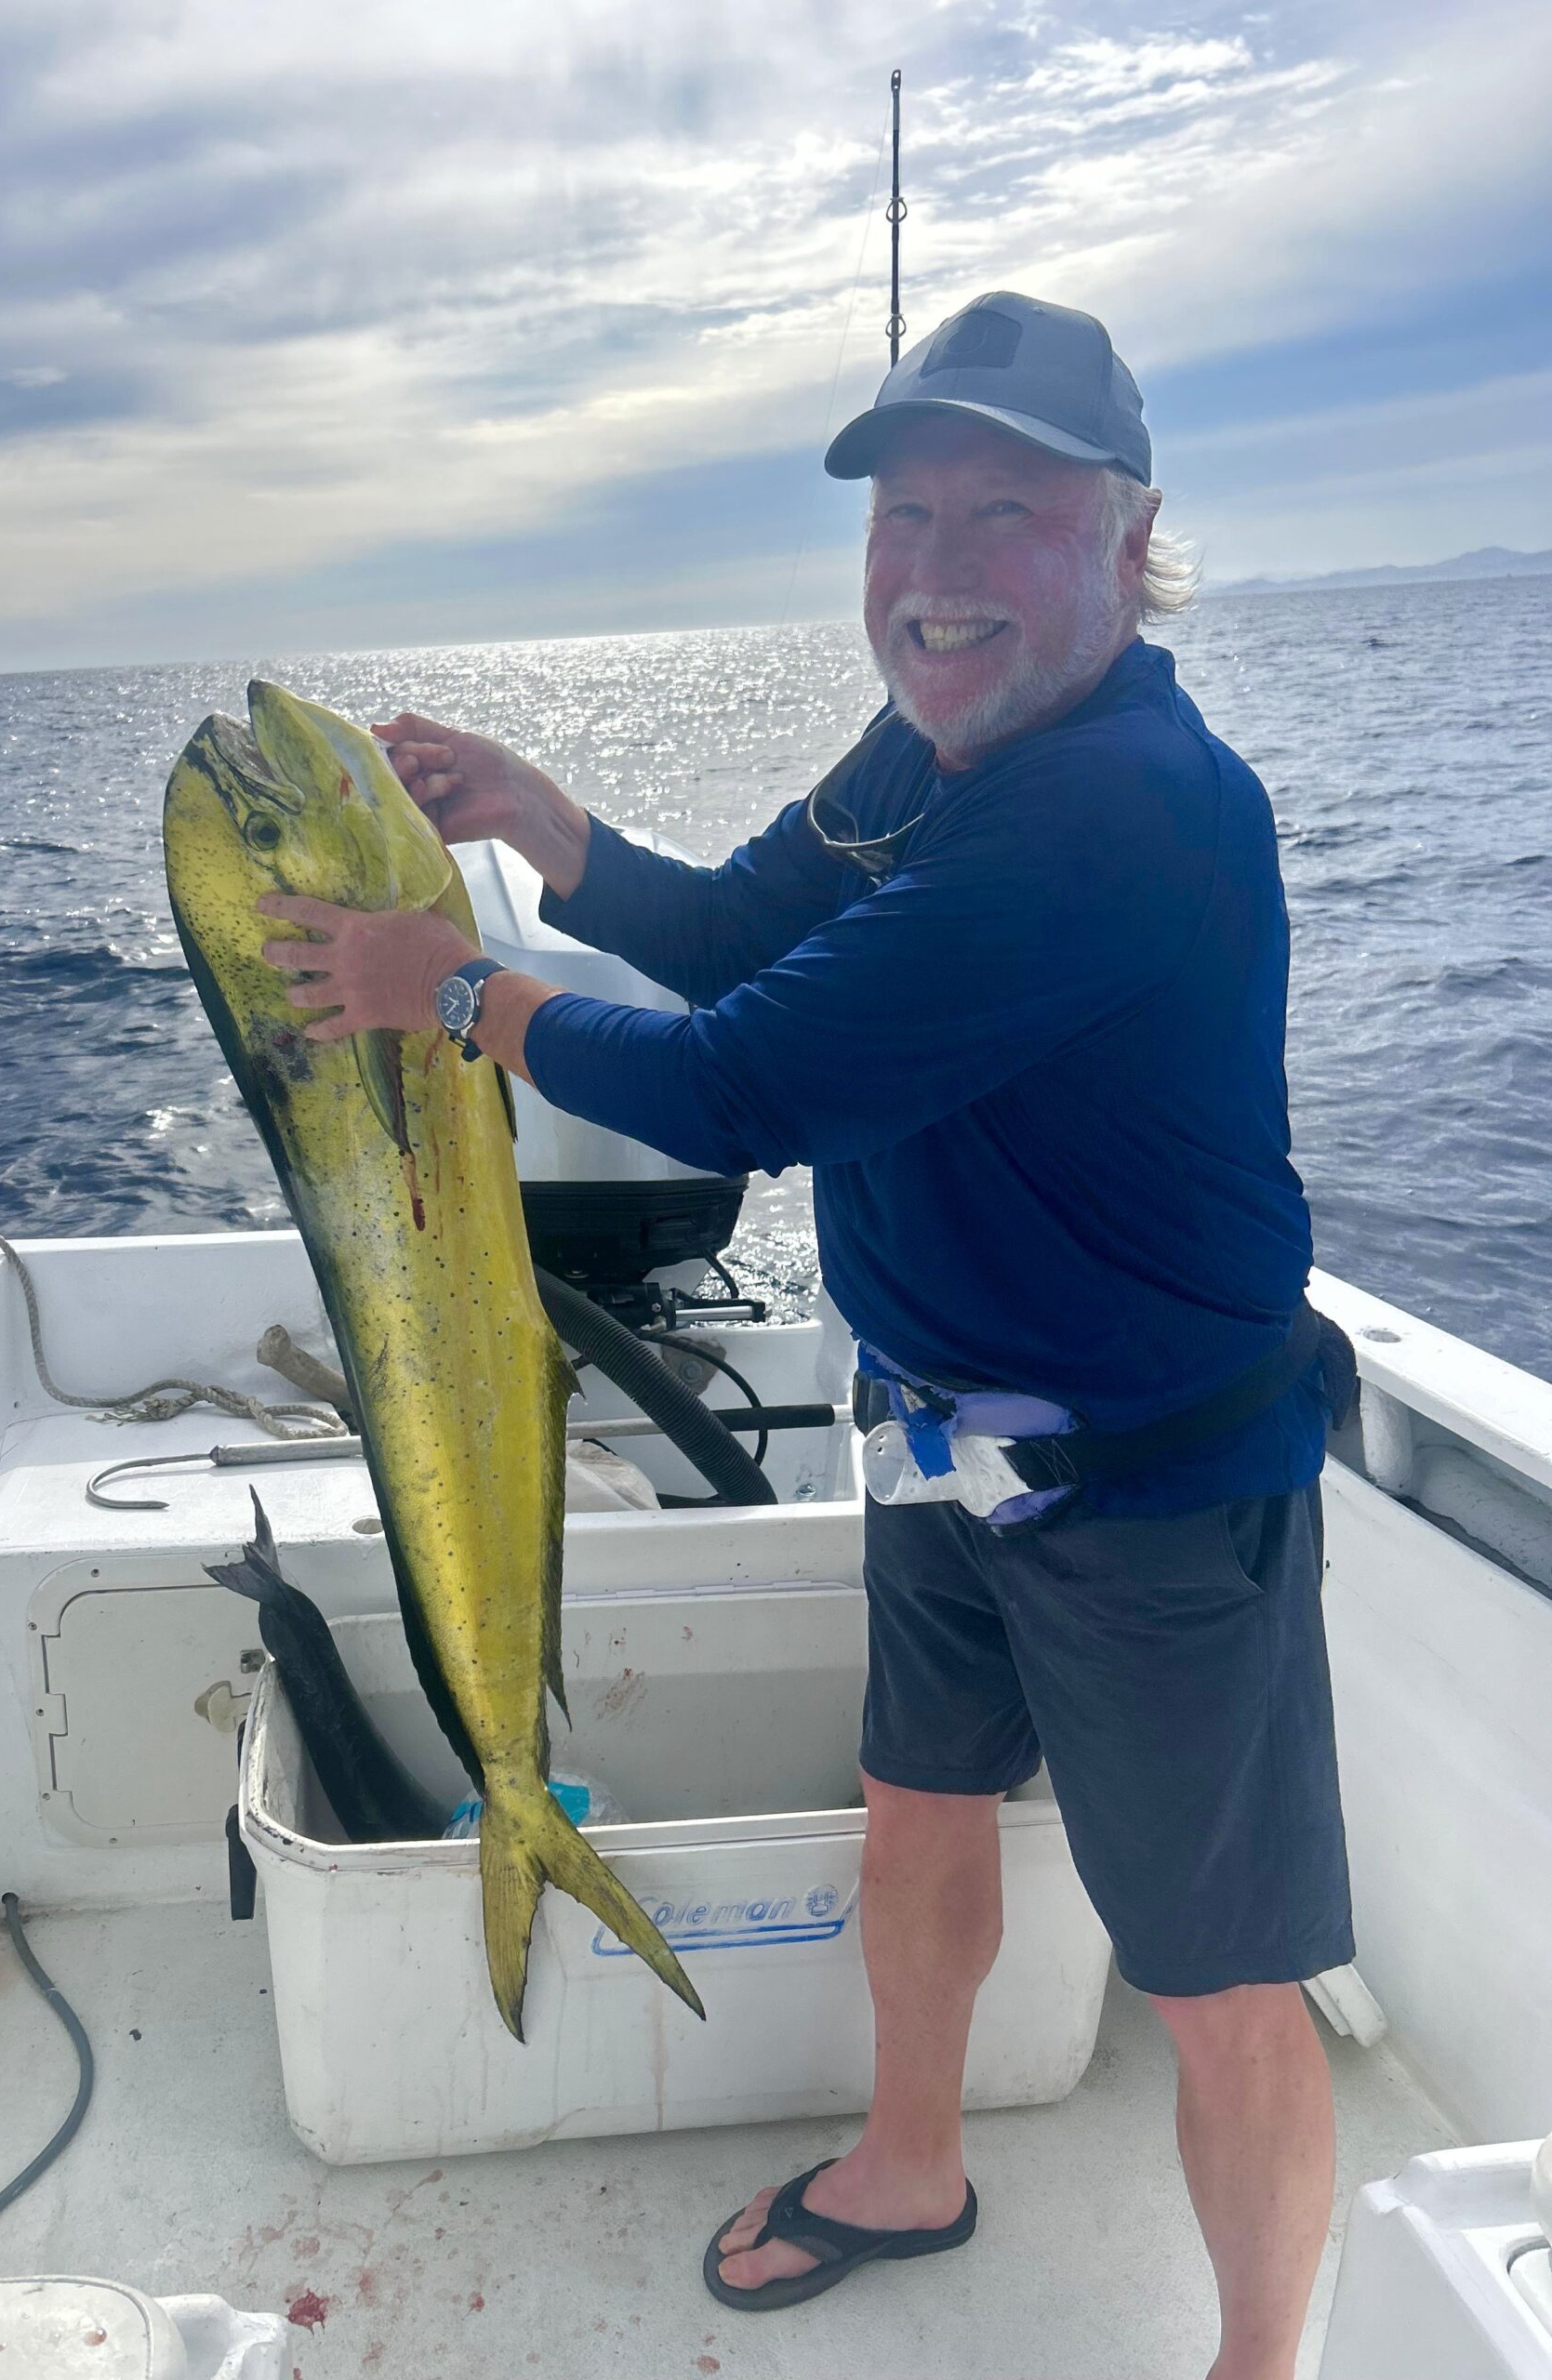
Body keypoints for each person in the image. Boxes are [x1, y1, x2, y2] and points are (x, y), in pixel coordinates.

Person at [258, 290, 1353, 2380]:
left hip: (1149, 1490)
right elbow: (742, 927)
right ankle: (910, 2161)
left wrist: (457, 991)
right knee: (915, 1814)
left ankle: (1260, 2362)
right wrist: (545, 824)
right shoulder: (940, 737)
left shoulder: (1117, 801)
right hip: (940, 1438)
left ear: (1129, 536)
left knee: (1223, 1976)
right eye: (906, 515)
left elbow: (757, 1083)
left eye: (1006, 515)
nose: (936, 572)